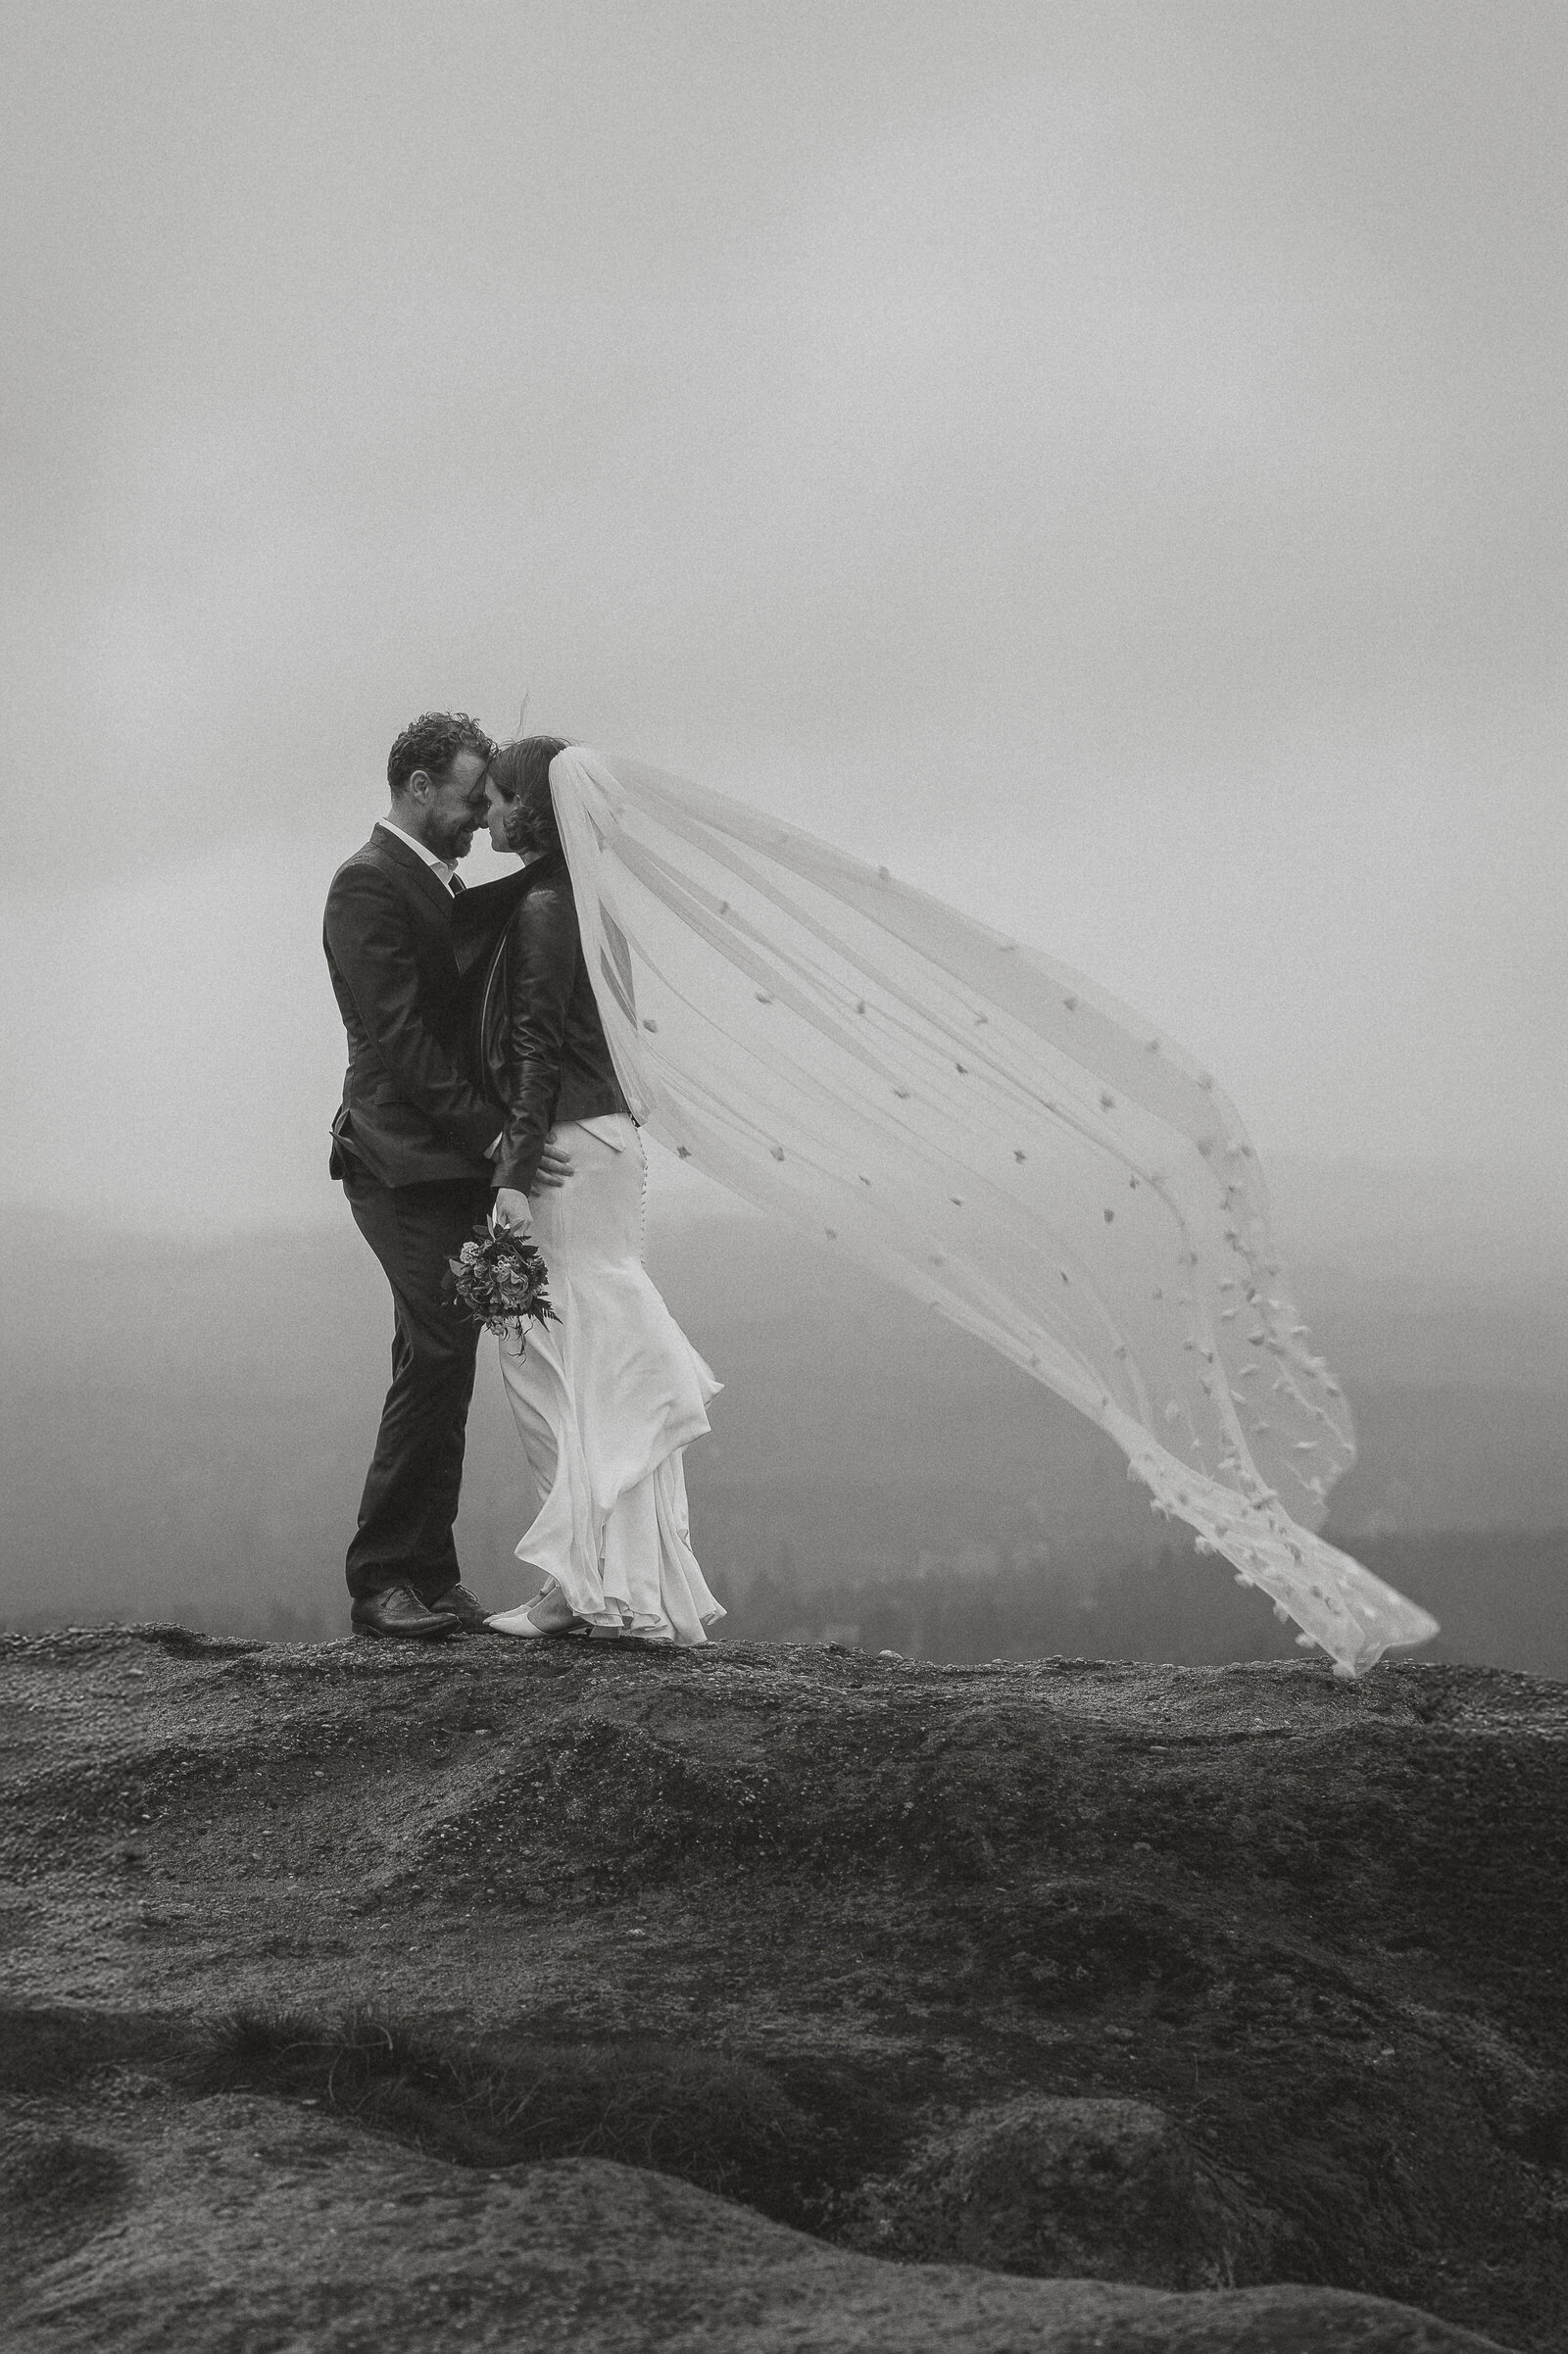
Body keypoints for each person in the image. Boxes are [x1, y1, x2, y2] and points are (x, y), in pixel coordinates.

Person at [466, 735, 723, 1645]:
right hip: (611, 1140)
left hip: (565, 1149)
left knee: (546, 1360)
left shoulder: (541, 905)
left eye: (498, 799)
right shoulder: (592, 902)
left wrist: (509, 1176)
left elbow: (536, 1048)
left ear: (531, 808)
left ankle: (576, 1589)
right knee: (595, 1356)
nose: (487, 814)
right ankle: (617, 1584)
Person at [321, 711, 569, 1640]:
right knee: (435, 1352)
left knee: (443, 1354)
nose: (476, 815)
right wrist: (502, 1137)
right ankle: (383, 1578)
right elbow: (406, 1044)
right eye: (470, 796)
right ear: (419, 788)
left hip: (444, 1162)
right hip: (396, 1162)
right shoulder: (365, 886)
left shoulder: (438, 881)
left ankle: (426, 1574)